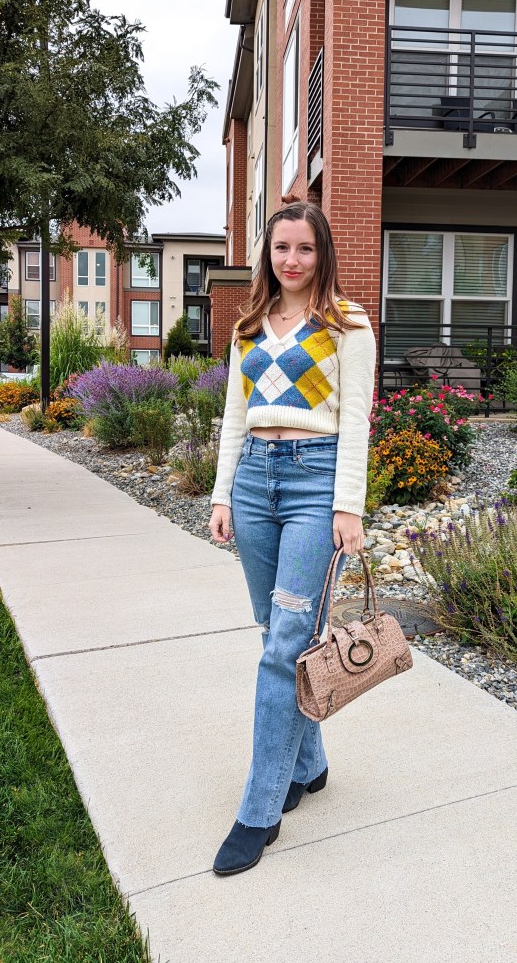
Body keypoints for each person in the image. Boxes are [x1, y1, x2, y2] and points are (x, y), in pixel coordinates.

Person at [207, 201, 376, 877]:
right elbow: (234, 417)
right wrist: (221, 493)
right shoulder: (247, 326)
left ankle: (259, 810)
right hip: (253, 484)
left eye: (304, 248)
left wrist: (348, 508)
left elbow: (358, 420)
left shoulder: (347, 322)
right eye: (281, 248)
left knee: (283, 645)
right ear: (267, 254)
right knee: (278, 635)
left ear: (321, 252)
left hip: (314, 484)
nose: (292, 260)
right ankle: (308, 763)